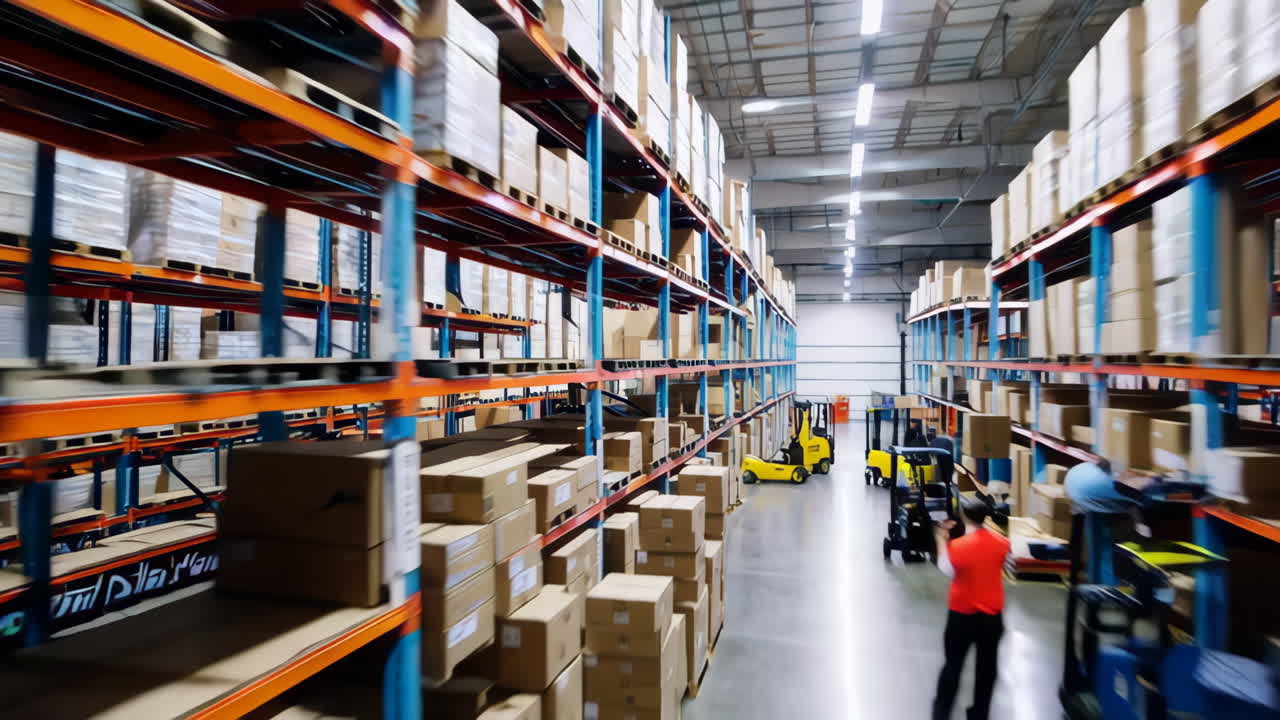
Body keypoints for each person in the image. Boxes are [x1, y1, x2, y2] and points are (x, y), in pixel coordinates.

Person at [931, 499, 1010, 720]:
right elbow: (1000, 562)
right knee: (987, 669)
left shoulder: (959, 546)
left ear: (963, 516)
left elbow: (946, 569)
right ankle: (979, 714)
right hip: (992, 616)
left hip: (962, 615)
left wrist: (940, 539)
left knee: (953, 666)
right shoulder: (1001, 542)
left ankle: (941, 713)